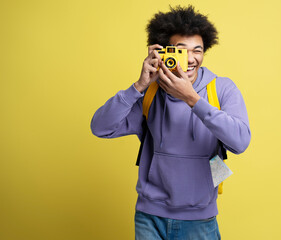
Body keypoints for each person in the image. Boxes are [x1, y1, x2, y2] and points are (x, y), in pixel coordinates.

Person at [90, 5, 251, 240]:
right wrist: (138, 86)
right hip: (149, 216)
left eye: (198, 50)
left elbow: (240, 142)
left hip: (199, 219)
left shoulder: (222, 88)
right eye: (180, 50)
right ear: (163, 52)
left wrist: (192, 99)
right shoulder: (150, 93)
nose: (190, 58)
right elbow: (100, 128)